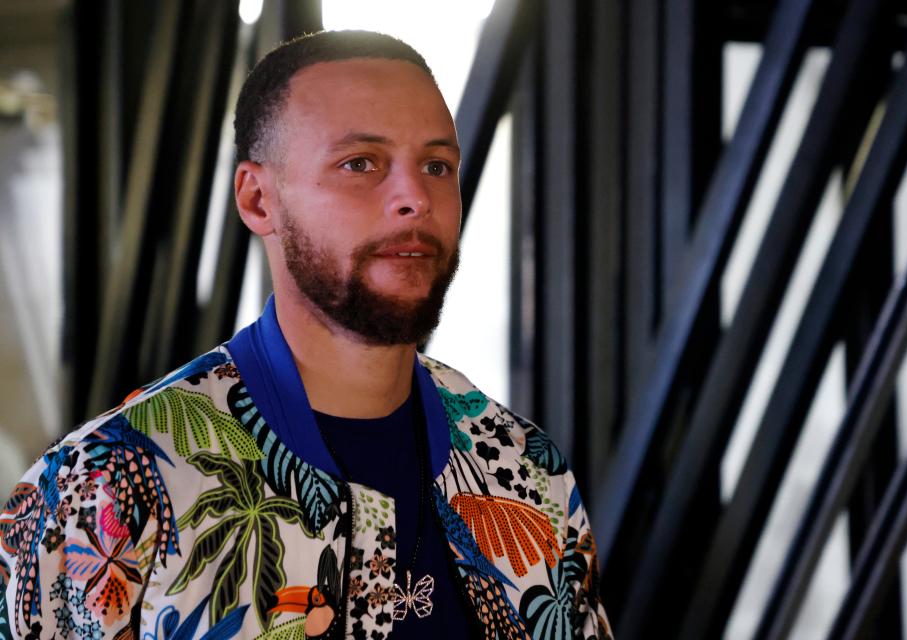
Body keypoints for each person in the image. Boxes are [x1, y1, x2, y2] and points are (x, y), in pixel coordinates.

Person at [0, 30, 611, 639]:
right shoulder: (99, 487)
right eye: (360, 163)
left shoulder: (520, 466)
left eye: (436, 165)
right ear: (258, 199)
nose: (414, 198)